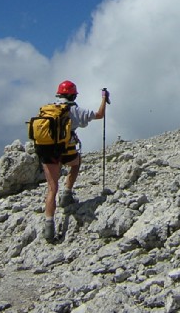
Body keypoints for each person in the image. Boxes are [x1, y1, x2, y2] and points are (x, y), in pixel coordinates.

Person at [37, 80, 109, 242]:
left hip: (47, 152)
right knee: (76, 164)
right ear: (73, 95)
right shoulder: (74, 110)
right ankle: (67, 194)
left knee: (51, 188)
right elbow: (99, 115)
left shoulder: (48, 109)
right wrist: (104, 98)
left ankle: (49, 226)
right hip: (65, 152)